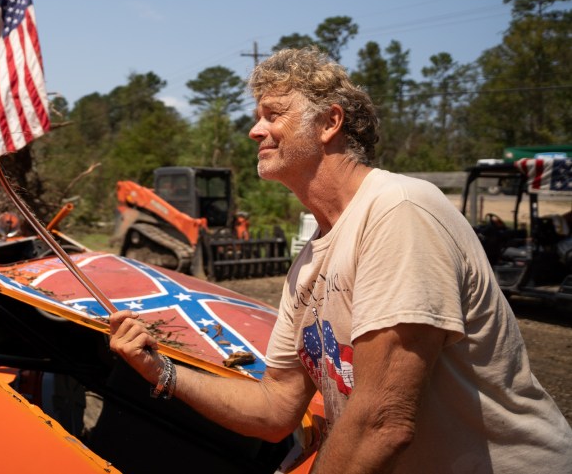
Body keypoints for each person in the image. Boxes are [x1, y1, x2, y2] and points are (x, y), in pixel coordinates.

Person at [109, 47, 572, 473]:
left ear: (330, 122)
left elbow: (382, 420)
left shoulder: (398, 210)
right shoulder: (310, 262)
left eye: (273, 115)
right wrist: (161, 370)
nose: (254, 130)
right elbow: (275, 407)